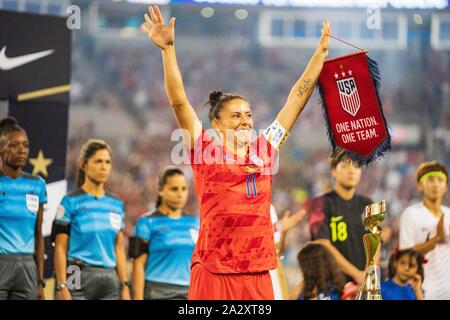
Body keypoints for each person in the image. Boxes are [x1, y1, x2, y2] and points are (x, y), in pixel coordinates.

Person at [140, 5, 330, 299]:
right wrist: (168, 50)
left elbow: (295, 102)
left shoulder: (265, 150)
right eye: (236, 115)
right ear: (216, 123)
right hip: (213, 272)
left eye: (249, 115)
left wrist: (318, 57)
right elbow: (179, 102)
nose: (245, 121)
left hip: (256, 274)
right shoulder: (204, 150)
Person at [52, 139, 130, 300]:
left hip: (109, 279)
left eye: (107, 162)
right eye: (98, 161)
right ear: (83, 164)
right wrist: (62, 286)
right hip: (76, 272)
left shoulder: (116, 204)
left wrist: (124, 286)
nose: (104, 167)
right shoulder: (69, 202)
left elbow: (119, 248)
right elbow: (60, 248)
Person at [130, 167, 199, 300]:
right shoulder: (146, 223)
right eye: (174, 189)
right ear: (160, 190)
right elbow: (138, 265)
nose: (180, 194)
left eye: (183, 189)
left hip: (189, 292)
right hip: (157, 291)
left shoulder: (195, 223)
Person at [308, 152, 374, 285]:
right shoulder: (319, 203)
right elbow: (323, 244)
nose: (351, 171)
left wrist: (369, 273)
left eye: (356, 166)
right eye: (345, 166)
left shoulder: (368, 203)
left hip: (364, 283)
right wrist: (356, 275)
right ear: (333, 171)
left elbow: (376, 242)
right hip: (333, 285)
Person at [0, 117, 47, 300]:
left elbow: (38, 234)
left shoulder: (37, 185)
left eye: (25, 145)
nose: (22, 150)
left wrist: (40, 280)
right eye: (14, 145)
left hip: (27, 267)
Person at [399, 161, 450, 300]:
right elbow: (405, 257)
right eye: (430, 180)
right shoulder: (411, 214)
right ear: (419, 185)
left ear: (445, 186)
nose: (436, 184)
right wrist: (436, 239)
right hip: (423, 292)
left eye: (440, 180)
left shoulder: (449, 215)